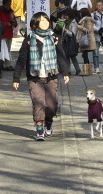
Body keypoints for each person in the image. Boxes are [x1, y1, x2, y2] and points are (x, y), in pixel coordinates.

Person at [13, 12, 71, 140]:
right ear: (35, 23)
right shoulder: (29, 39)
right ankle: (39, 128)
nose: (45, 23)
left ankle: (48, 123)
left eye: (46, 21)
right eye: (42, 21)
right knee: (38, 102)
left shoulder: (54, 38)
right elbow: (22, 59)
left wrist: (65, 72)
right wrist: (16, 77)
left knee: (52, 104)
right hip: (35, 78)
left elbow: (61, 56)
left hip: (51, 76)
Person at [55, 7, 81, 75]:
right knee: (66, 56)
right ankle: (68, 70)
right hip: (65, 41)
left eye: (66, 15)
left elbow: (73, 34)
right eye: (64, 15)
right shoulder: (65, 22)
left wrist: (66, 31)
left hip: (71, 41)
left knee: (72, 56)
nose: (65, 17)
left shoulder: (73, 22)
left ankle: (78, 69)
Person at [0, 0, 18, 70]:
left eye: (10, 4)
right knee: (3, 49)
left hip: (9, 33)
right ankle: (2, 63)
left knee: (8, 49)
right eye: (7, 4)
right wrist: (6, 23)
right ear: (4, 4)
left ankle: (8, 64)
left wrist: (13, 22)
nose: (9, 6)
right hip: (3, 34)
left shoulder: (11, 12)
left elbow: (15, 23)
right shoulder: (0, 12)